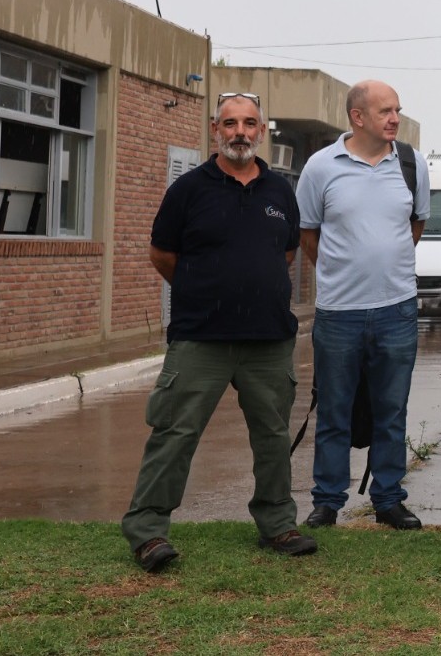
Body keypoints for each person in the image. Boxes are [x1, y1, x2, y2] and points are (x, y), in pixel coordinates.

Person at [122, 92, 316, 571]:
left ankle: (277, 524)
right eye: (230, 124)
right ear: (215, 130)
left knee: (271, 435)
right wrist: (202, 291)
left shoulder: (280, 192)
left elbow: (285, 255)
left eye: (249, 124)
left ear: (261, 130)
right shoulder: (188, 190)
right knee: (174, 432)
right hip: (200, 339)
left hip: (268, 340)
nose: (240, 133)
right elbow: (162, 256)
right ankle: (148, 532)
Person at [296, 80, 430, 531]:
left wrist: (383, 268)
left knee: (392, 410)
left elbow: (415, 225)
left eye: (397, 109)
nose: (394, 118)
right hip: (338, 314)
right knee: (334, 409)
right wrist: (346, 272)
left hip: (397, 310)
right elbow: (309, 234)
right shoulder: (320, 167)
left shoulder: (411, 164)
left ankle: (388, 500)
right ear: (357, 118)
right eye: (385, 111)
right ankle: (327, 501)